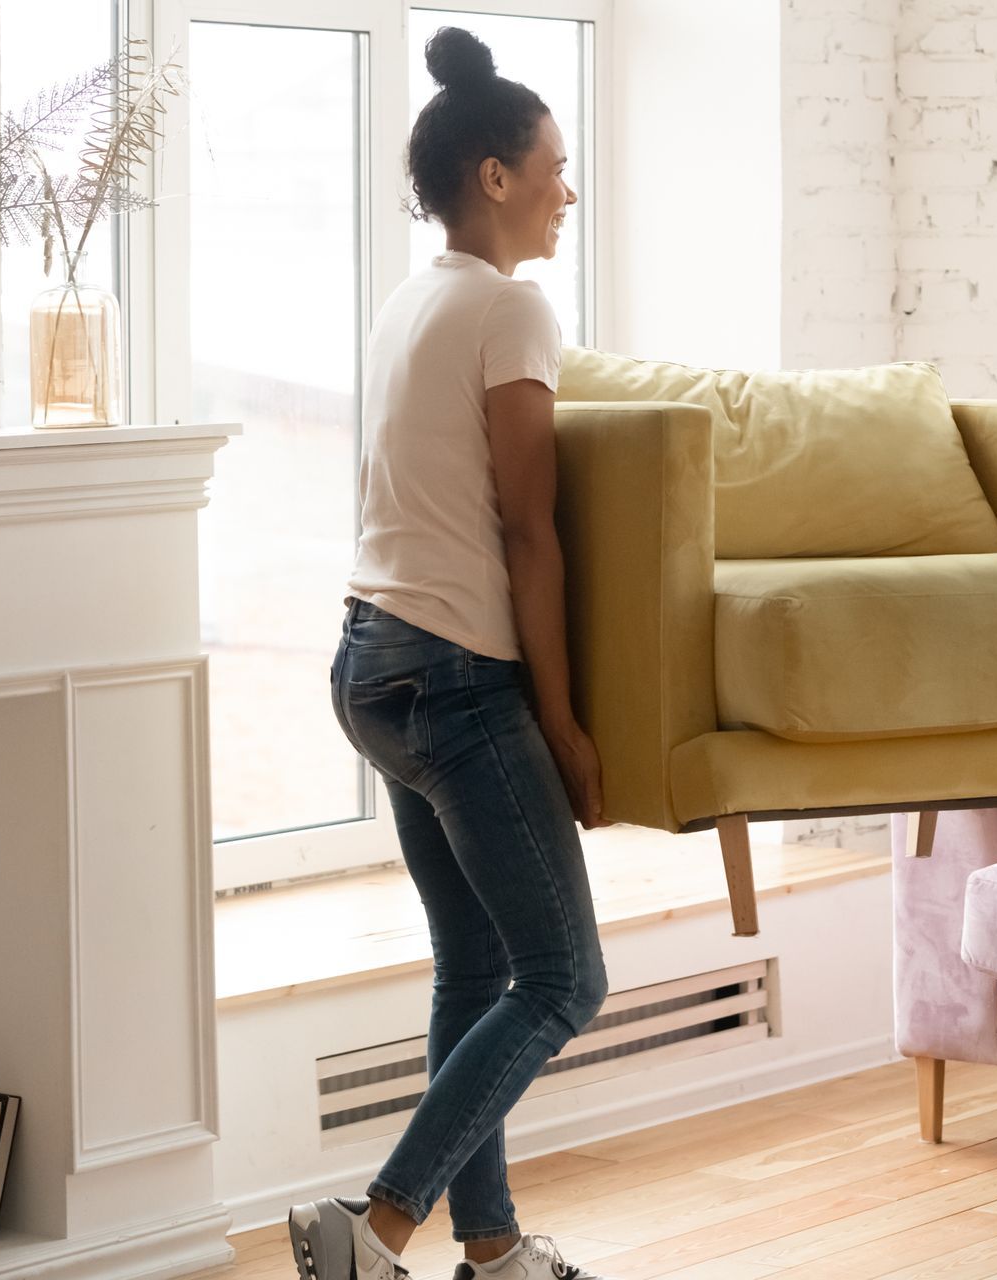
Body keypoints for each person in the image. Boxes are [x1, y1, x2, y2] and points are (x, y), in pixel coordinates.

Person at [285, 26, 610, 1280]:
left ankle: (494, 1248)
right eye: (553, 167)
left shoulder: (411, 298)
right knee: (564, 976)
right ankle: (376, 1226)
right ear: (493, 174)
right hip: (458, 682)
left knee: (477, 966)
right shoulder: (511, 305)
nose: (566, 190)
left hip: (370, 669)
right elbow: (531, 534)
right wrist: (569, 725)